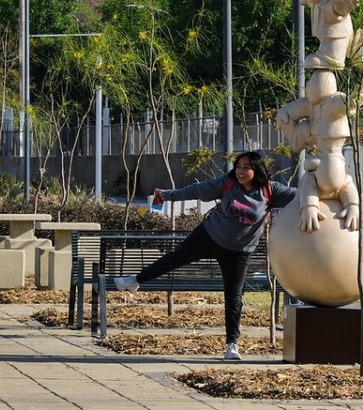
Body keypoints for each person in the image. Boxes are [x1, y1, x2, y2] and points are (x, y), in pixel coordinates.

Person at [114, 151, 296, 360]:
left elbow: (301, 195)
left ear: (258, 170)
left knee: (234, 296)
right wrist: (168, 195)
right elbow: (197, 190)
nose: (240, 171)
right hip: (209, 235)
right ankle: (135, 280)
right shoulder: (228, 182)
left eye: (246, 167)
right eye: (238, 166)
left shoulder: (271, 191)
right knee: (174, 258)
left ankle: (232, 346)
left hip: (239, 252)